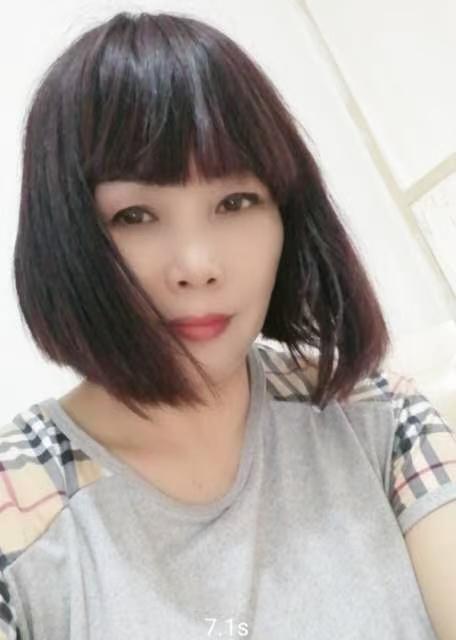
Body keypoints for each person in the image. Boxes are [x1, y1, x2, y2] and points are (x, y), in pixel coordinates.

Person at [1, 10, 455, 640]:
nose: (198, 266)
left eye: (234, 202)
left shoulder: (378, 418)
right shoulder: (19, 517)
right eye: (135, 215)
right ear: (66, 241)